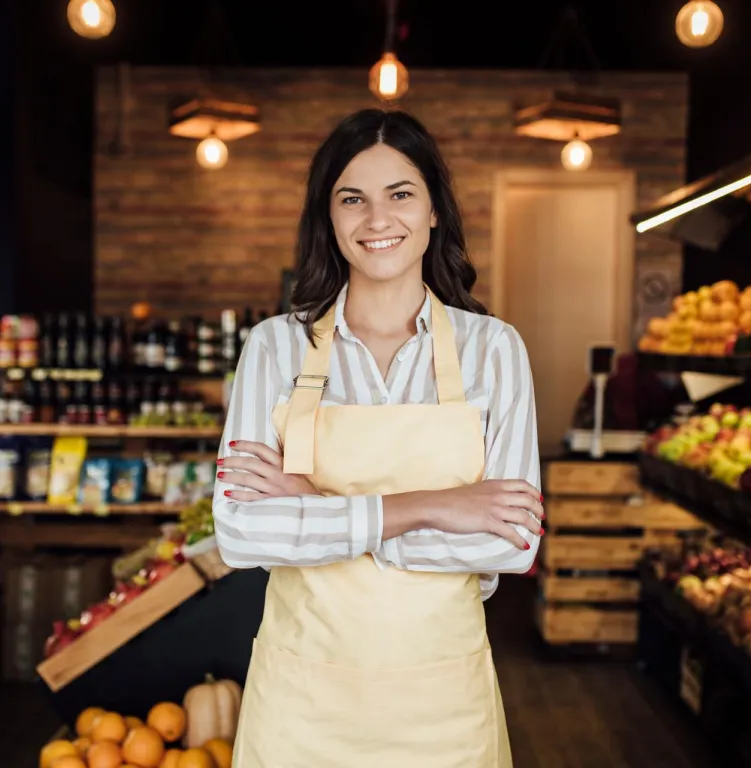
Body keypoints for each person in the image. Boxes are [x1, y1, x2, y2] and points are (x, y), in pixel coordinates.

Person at [212, 108, 543, 768]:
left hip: (444, 704)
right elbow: (241, 533)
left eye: (400, 194)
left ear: (433, 213)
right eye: (351, 199)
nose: (377, 219)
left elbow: (511, 542)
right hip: (301, 707)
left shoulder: (494, 350)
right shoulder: (276, 349)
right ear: (328, 219)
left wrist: (311, 503)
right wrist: (431, 506)